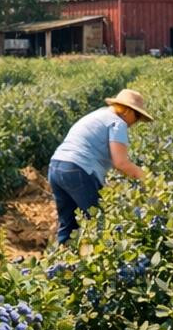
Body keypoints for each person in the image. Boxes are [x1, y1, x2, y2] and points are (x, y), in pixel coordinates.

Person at [47, 88, 152, 244]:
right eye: (137, 116)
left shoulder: (98, 115)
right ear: (128, 111)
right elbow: (121, 163)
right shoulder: (118, 123)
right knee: (99, 224)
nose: (135, 122)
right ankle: (101, 257)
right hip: (78, 170)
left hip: (56, 167)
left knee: (68, 225)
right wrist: (149, 180)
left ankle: (62, 256)